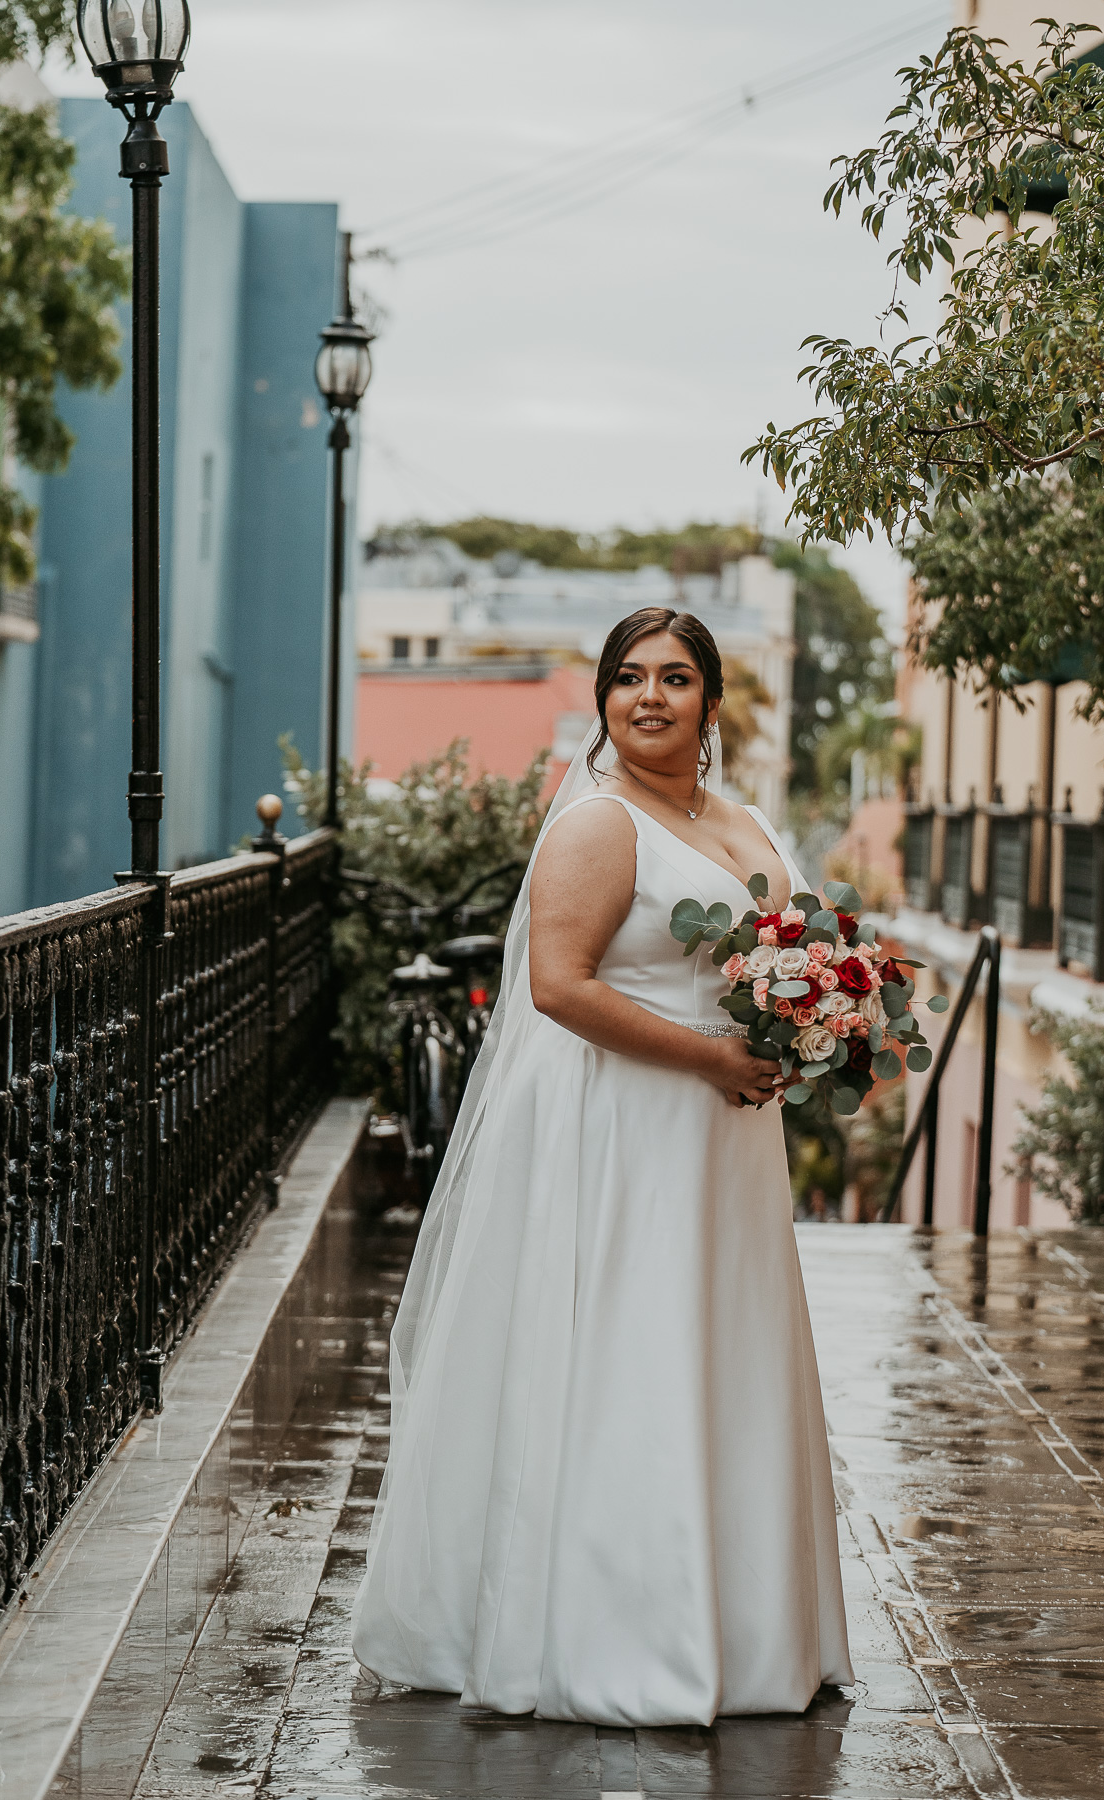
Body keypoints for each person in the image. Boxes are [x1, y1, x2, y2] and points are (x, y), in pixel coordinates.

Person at [351, 606, 853, 1726]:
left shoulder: (741, 818)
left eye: (676, 679)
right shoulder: (598, 823)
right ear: (606, 700)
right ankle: (619, 1633)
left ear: (712, 704)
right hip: (628, 1123)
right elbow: (561, 988)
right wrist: (714, 1056)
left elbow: (791, 947)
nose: (650, 698)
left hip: (726, 1135)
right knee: (634, 1343)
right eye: (629, 679)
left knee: (722, 1345)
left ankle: (751, 1626)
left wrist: (818, 1016)